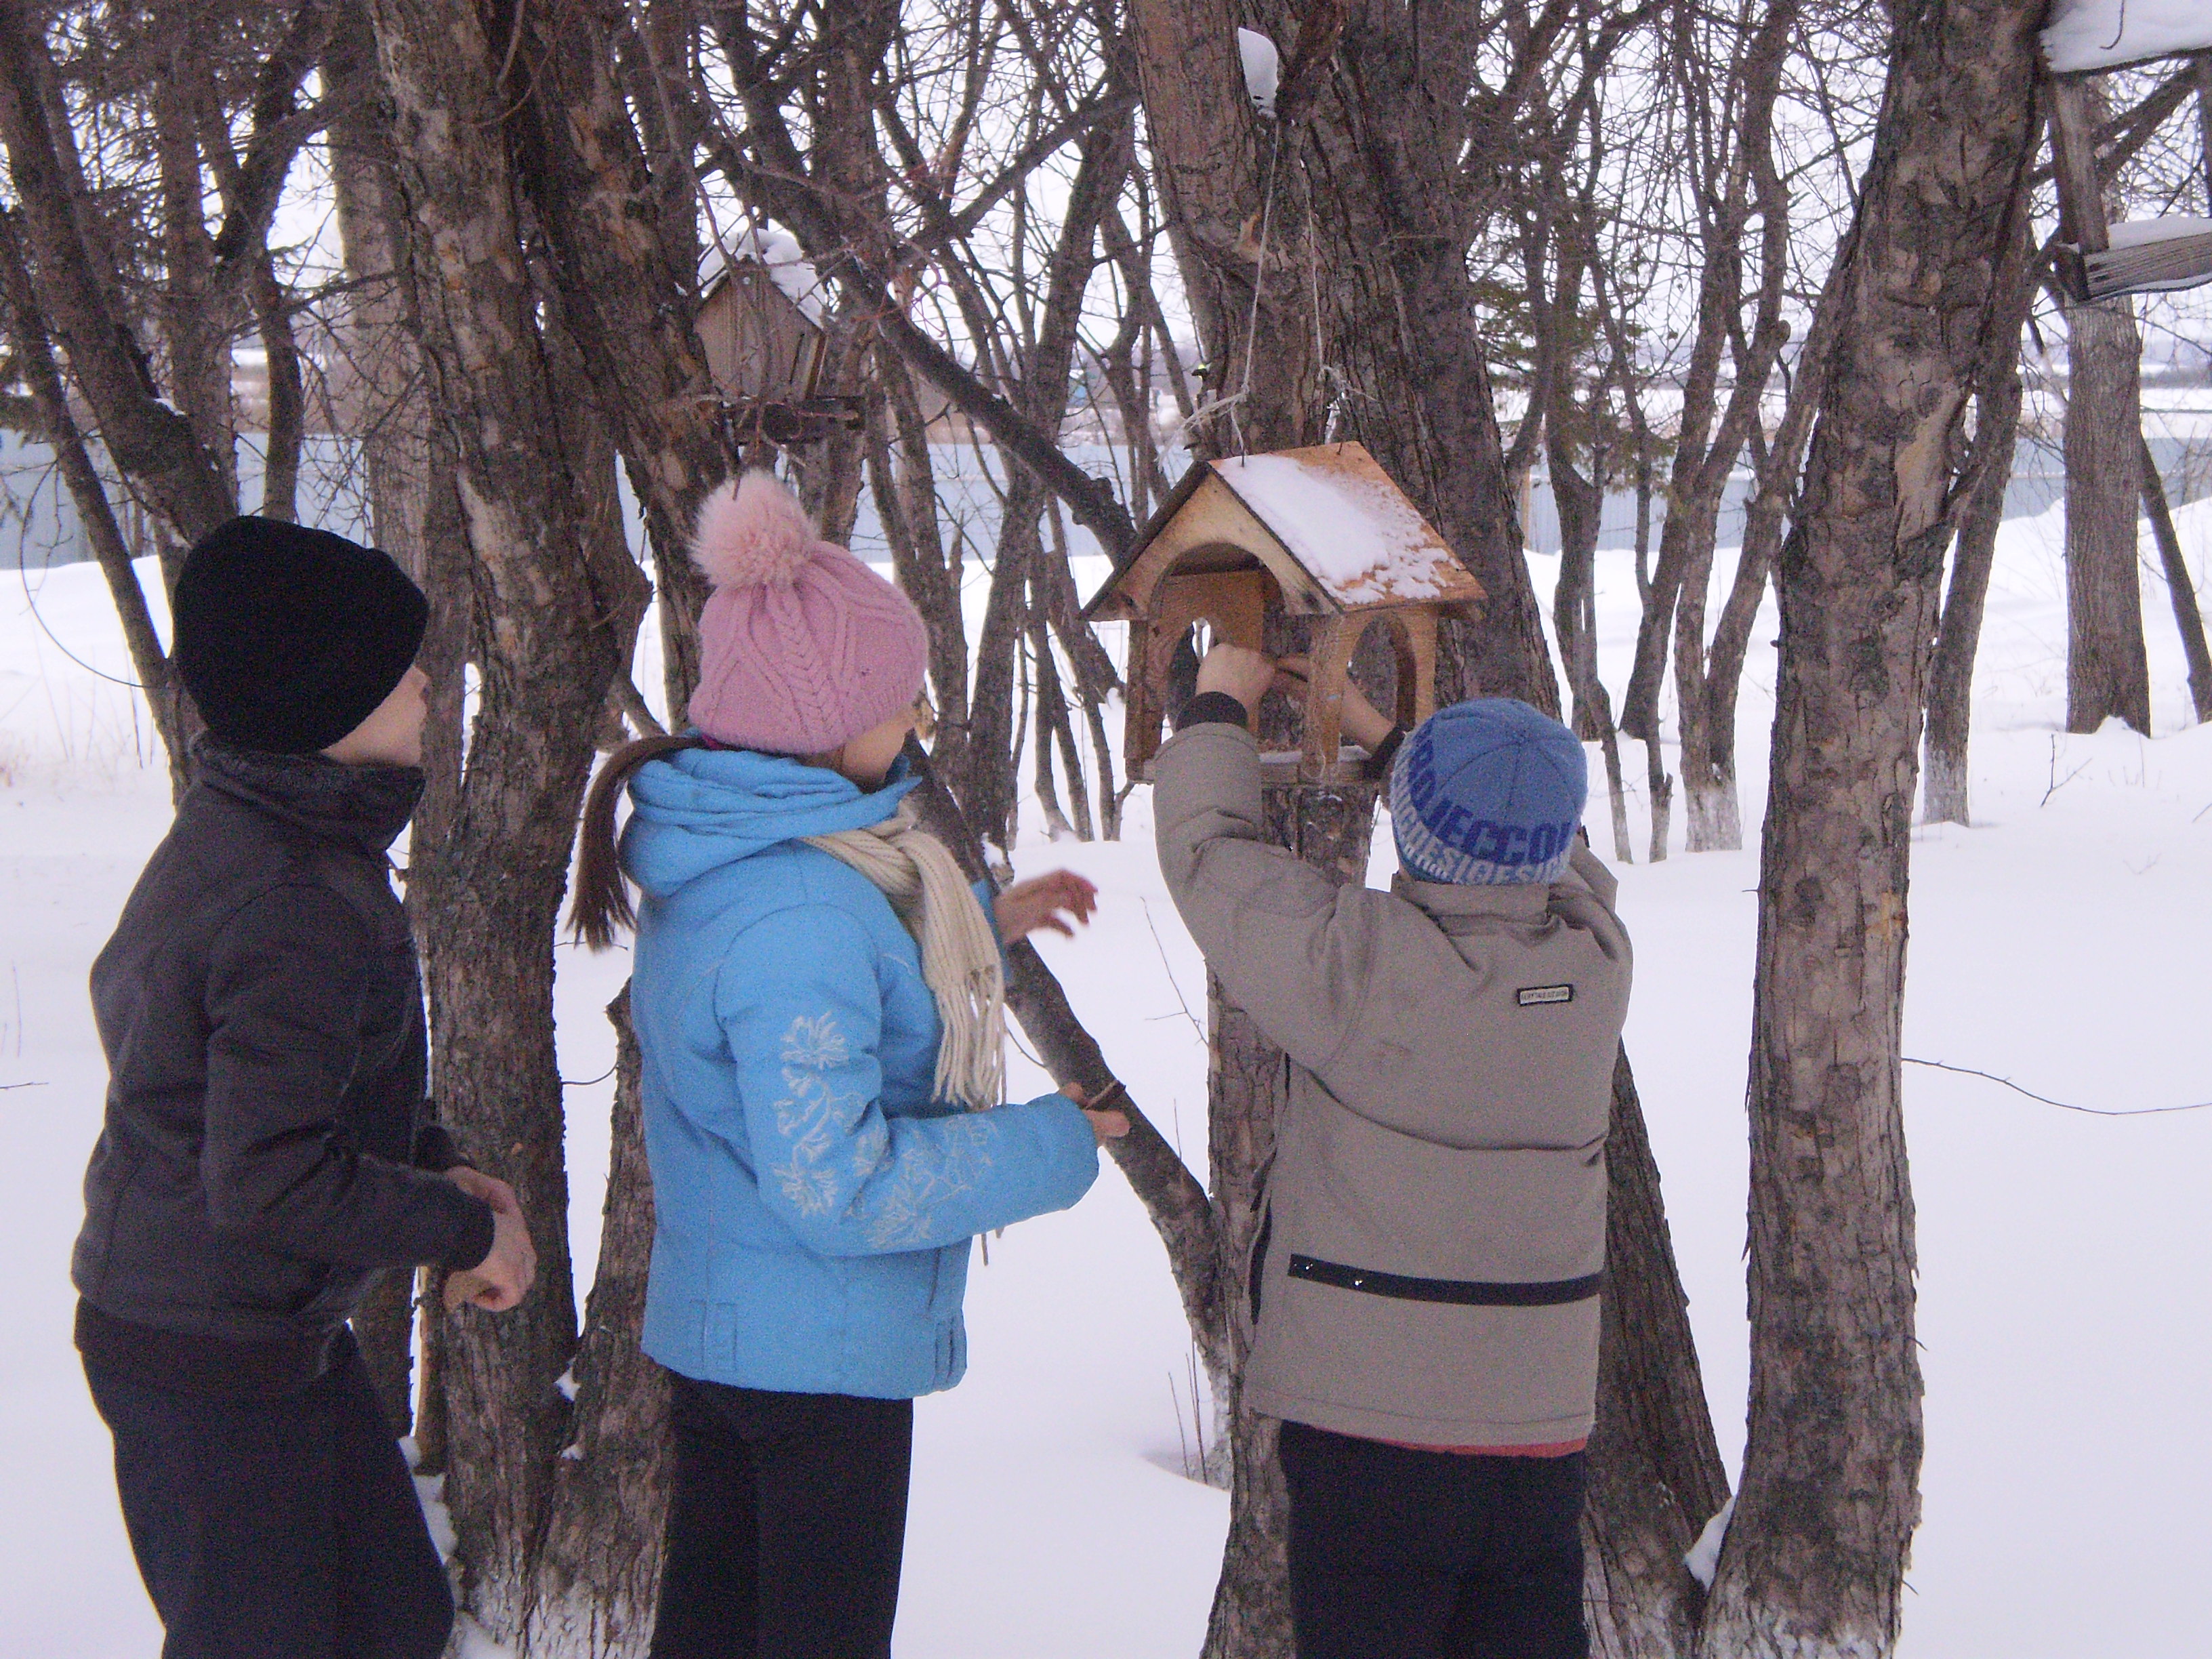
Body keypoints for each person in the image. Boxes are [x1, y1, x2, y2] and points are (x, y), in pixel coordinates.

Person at [568, 472, 1129, 1659]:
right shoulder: (802, 910)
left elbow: (803, 1007)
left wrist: (980, 922)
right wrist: (1053, 1143)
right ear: (823, 726)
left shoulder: (739, 856)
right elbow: (842, 1186)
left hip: (740, 1336)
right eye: (898, 697)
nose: (916, 716)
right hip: (816, 1362)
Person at [72, 516, 537, 1659]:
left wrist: (434, 1165)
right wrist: (464, 1230)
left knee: (394, 1621)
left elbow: (286, 1092)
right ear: (323, 701)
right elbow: (268, 1179)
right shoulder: (290, 896)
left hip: (258, 1339)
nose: (425, 683)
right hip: (205, 1359)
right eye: (396, 666)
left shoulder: (269, 834)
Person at [1153, 642, 1631, 1659]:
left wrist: (1216, 709)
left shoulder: (1354, 962)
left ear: (1411, 831)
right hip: (1538, 1425)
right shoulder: (1597, 959)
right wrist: (1391, 741)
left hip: (1370, 1431)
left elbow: (1208, 855)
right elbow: (1554, 851)